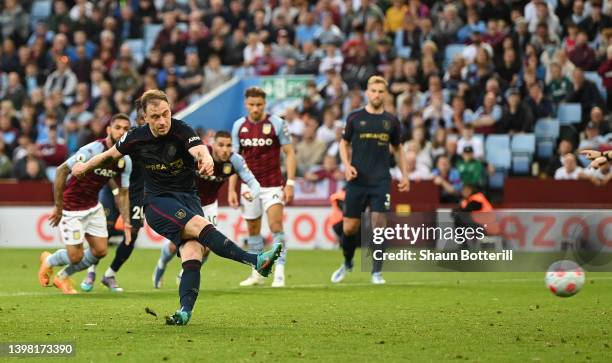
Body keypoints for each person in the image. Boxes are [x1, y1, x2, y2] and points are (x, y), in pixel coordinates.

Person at [70, 90, 281, 326]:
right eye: (155, 117)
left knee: (193, 254)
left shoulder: (182, 130)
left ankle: (184, 311)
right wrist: (84, 167)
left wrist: (208, 159)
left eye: (165, 114)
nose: (162, 121)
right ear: (145, 118)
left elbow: (199, 149)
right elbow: (109, 155)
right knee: (202, 226)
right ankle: (255, 260)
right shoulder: (135, 137)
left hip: (188, 199)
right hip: (158, 201)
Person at [153, 130, 262, 288]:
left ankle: (185, 274)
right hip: (186, 201)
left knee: (208, 245)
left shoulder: (235, 160)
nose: (225, 149)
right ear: (213, 145)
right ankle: (161, 265)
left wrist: (253, 193)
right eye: (221, 145)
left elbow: (254, 182)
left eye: (229, 145)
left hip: (209, 205)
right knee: (175, 244)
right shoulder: (201, 153)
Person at [37, 114, 133, 294]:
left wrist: (126, 221)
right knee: (76, 256)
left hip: (93, 207)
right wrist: (58, 206)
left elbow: (123, 193)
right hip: (71, 208)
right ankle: (49, 260)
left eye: (126, 129)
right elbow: (61, 171)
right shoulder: (92, 150)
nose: (122, 132)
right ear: (109, 130)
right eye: (118, 127)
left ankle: (62, 277)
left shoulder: (125, 160)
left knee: (100, 251)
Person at [330, 76, 409, 285]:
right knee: (349, 228)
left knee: (379, 225)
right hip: (357, 181)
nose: (377, 95)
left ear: (385, 94)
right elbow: (343, 144)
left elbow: (398, 149)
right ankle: (347, 262)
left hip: (380, 181)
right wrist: (347, 166)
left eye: (381, 91)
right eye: (373, 91)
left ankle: (376, 271)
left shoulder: (391, 121)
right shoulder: (355, 118)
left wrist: (405, 175)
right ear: (367, 92)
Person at [229, 86, 296, 288]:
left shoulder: (277, 123)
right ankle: (256, 272)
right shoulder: (239, 126)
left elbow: (290, 153)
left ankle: (280, 272)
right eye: (252, 105)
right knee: (253, 230)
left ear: (265, 104)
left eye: (259, 104)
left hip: (273, 185)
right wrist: (232, 188)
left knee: (276, 226)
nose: (255, 108)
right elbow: (234, 159)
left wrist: (290, 182)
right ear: (246, 104)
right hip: (249, 187)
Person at [80, 103, 147, 292]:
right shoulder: (130, 139)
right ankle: (91, 270)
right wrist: (117, 191)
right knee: (103, 232)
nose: (146, 120)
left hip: (136, 194)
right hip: (112, 190)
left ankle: (110, 274)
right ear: (139, 119)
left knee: (131, 235)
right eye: (142, 117)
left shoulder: (157, 140)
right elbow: (107, 166)